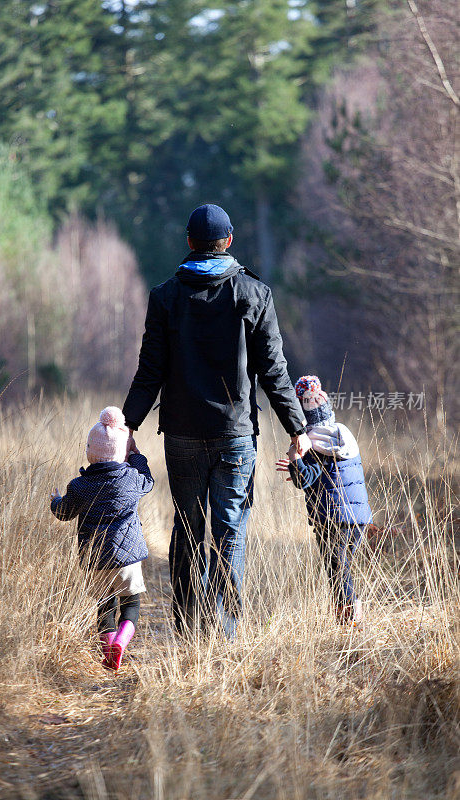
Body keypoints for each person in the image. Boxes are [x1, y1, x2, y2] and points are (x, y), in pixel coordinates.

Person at [123, 203, 310, 638]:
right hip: (235, 435)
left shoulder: (165, 297)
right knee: (230, 529)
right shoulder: (254, 294)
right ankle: (223, 631)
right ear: (229, 241)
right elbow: (274, 371)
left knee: (187, 526)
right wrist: (298, 430)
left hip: (183, 434)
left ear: (189, 242)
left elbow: (149, 371)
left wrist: (128, 427)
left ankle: (189, 628)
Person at [50, 406, 153, 671]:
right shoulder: (130, 478)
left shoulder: (79, 486)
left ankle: (108, 648)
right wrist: (136, 457)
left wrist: (55, 501)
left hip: (96, 559)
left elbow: (64, 513)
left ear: (90, 452)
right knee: (131, 602)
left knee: (104, 605)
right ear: (122, 453)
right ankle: (122, 639)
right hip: (128, 560)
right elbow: (148, 481)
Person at [276, 375, 373, 624]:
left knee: (337, 571)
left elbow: (303, 481)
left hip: (332, 517)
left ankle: (350, 621)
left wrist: (295, 459)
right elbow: (327, 475)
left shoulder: (312, 443)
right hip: (358, 518)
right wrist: (300, 468)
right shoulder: (341, 437)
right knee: (342, 569)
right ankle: (350, 617)